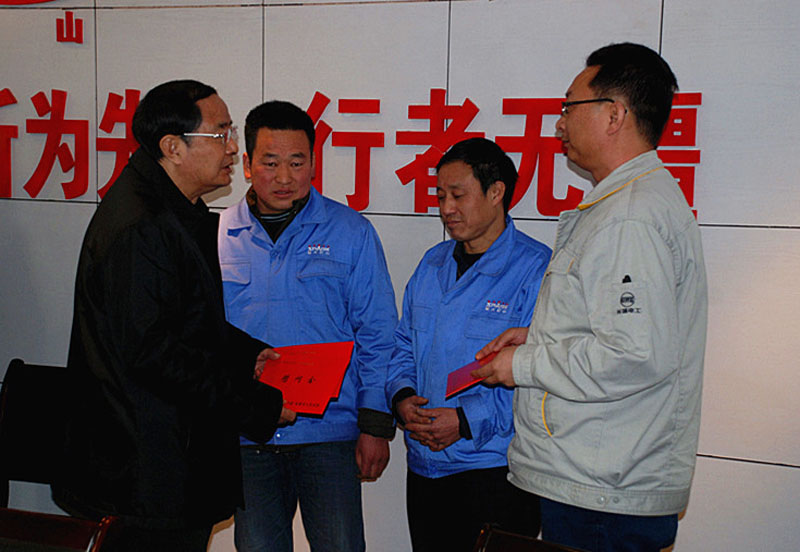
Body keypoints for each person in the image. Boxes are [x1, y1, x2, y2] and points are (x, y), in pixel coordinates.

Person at [473, 43, 708, 552]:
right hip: (599, 479)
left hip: (604, 490)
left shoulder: (630, 216)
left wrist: (524, 364)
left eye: (569, 107)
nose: (559, 124)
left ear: (615, 115)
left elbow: (633, 354)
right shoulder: (626, 203)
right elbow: (619, 331)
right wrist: (538, 336)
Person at [53, 80, 293, 552]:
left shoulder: (171, 209)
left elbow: (183, 319)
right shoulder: (141, 226)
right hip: (143, 473)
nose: (232, 148)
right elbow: (155, 354)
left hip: (166, 463)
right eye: (220, 134)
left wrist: (247, 354)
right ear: (172, 147)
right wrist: (255, 407)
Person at [218, 100, 397, 552]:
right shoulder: (217, 236)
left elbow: (377, 332)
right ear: (246, 165)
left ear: (314, 164)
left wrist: (375, 424)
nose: (284, 177)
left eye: (297, 163)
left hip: (329, 433)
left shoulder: (350, 231)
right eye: (270, 162)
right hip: (249, 434)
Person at [386, 137, 550, 552]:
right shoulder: (432, 263)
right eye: (440, 195)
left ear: (496, 193)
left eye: (458, 195)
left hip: (495, 471)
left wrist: (464, 420)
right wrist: (402, 398)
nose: (446, 208)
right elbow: (403, 344)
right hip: (425, 468)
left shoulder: (536, 269)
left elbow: (543, 373)